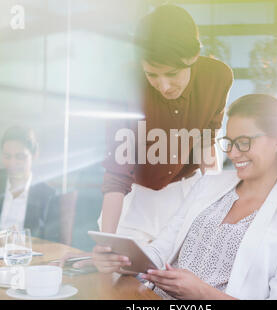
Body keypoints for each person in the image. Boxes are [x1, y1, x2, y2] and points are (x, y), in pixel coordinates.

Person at [88, 94, 277, 299]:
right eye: (228, 142)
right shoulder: (209, 185)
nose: (232, 152)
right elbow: (159, 251)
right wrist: (120, 260)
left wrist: (202, 293)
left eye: (243, 141)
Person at [96, 4, 234, 246]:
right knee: (120, 273)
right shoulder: (123, 83)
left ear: (193, 57)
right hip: (135, 198)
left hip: (187, 192)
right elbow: (117, 174)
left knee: (183, 276)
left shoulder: (218, 77)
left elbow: (206, 140)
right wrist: (106, 243)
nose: (164, 85)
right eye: (152, 75)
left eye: (172, 74)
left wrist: (215, 206)